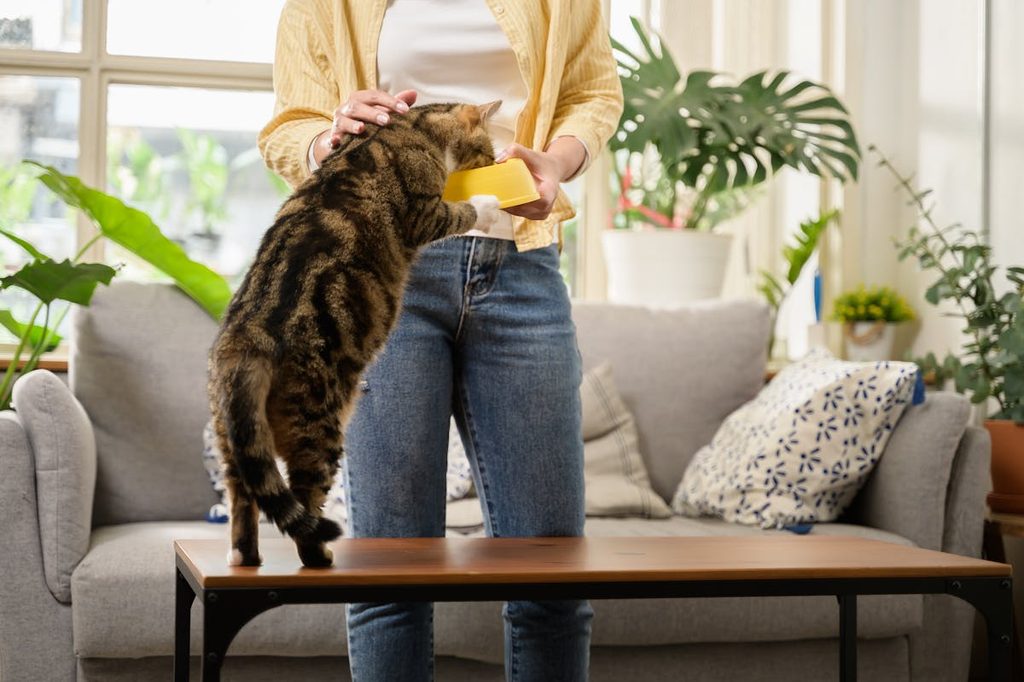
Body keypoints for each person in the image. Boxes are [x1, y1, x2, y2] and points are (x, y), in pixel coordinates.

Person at [258, 1, 622, 680]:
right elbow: (289, 125)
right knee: (389, 576)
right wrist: (328, 140)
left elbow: (593, 93)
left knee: (551, 578)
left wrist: (556, 163)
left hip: (522, 266)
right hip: (383, 268)